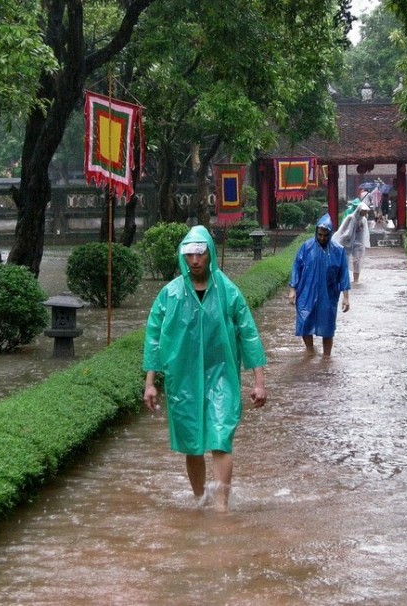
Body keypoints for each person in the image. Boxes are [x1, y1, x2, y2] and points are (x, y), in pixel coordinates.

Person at [143, 225, 267, 513]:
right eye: (189, 255)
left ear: (210, 253)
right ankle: (200, 499)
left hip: (222, 375)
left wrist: (259, 382)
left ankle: (221, 506)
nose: (195, 260)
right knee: (192, 442)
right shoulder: (170, 294)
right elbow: (154, 337)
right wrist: (150, 382)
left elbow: (249, 334)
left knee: (221, 437)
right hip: (182, 379)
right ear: (182, 257)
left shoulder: (228, 291)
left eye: (200, 253)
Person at [288, 213, 351, 356]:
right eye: (320, 235)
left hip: (328, 294)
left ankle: (326, 357)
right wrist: (293, 289)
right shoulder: (306, 247)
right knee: (305, 321)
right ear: (316, 232)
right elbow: (296, 268)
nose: (322, 238)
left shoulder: (338, 250)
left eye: (325, 235)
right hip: (306, 291)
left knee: (327, 325)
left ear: (330, 234)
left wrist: (346, 297)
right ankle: (310, 351)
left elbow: (344, 275)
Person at [334, 201, 371, 283]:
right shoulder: (350, 218)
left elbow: (364, 232)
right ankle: (344, 279)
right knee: (345, 261)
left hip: (358, 244)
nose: (365, 213)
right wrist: (343, 238)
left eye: (366, 211)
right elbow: (342, 229)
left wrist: (364, 244)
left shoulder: (364, 220)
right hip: (347, 243)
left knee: (357, 261)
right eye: (364, 211)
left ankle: (356, 280)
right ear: (359, 210)